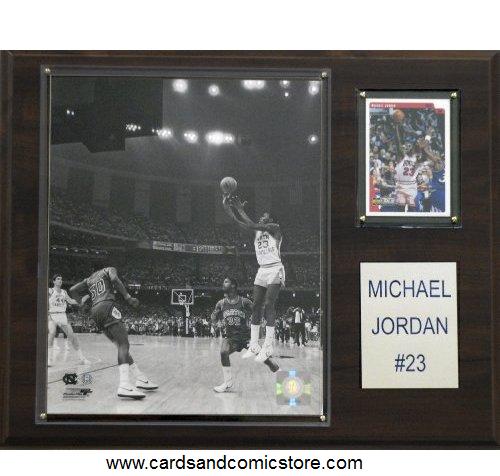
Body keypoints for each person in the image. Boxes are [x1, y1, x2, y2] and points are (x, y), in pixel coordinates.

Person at [70, 266, 158, 399]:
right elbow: (114, 279)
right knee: (124, 345)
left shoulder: (89, 279)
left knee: (120, 346)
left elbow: (72, 290)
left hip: (95, 312)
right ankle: (124, 385)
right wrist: (128, 297)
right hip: (107, 306)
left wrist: (81, 304)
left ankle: (140, 378)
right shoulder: (108, 269)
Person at [222, 194, 284, 363]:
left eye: (264, 216)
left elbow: (251, 224)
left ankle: (268, 345)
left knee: (269, 304)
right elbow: (239, 223)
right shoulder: (256, 233)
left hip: (275, 268)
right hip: (262, 270)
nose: (261, 217)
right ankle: (255, 345)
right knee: (256, 305)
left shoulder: (275, 228)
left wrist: (240, 209)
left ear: (270, 219)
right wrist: (228, 209)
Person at [211, 277, 279, 393]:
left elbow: (257, 311)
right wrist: (215, 323)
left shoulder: (244, 301)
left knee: (268, 361)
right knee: (223, 352)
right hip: (231, 338)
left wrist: (262, 320)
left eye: (226, 282)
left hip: (246, 337)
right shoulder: (221, 303)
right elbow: (214, 315)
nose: (223, 283)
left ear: (233, 285)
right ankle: (228, 383)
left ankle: (274, 366)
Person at [48, 274, 90, 367]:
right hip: (52, 315)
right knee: (52, 333)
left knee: (73, 337)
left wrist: (81, 300)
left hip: (62, 315)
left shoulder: (64, 292)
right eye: (58, 279)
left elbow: (71, 301)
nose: (60, 280)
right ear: (54, 281)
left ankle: (82, 359)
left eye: (61, 279)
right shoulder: (50, 291)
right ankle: (49, 359)